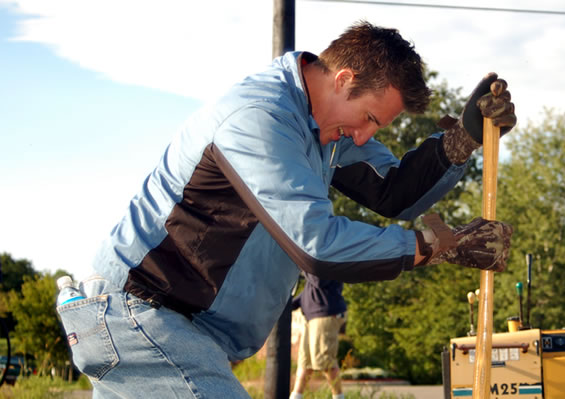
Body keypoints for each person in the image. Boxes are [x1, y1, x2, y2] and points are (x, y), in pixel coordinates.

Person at [56, 21, 516, 398]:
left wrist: (462, 140)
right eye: (371, 119)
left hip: (172, 326)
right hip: (142, 314)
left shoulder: (328, 127)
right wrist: (433, 246)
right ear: (344, 80)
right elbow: (316, 244)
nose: (364, 138)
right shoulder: (262, 119)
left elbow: (394, 193)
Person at [290, 274, 347, 399]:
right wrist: (291, 304)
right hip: (311, 317)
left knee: (325, 360)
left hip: (325, 314)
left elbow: (319, 281)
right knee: (305, 362)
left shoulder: (325, 259)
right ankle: (296, 396)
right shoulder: (312, 268)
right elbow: (309, 290)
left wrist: (302, 265)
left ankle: (338, 396)